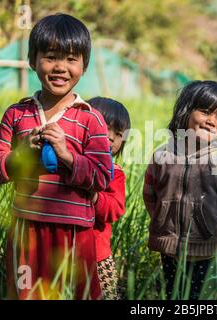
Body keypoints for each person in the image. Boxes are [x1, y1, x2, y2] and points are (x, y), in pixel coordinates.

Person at [0, 14, 112, 300]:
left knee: (76, 294)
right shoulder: (17, 114)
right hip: (26, 228)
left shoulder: (91, 120)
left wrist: (68, 156)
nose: (60, 68)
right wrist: (20, 155)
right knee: (26, 295)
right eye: (51, 57)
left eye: (71, 59)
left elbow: (103, 177)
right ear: (33, 60)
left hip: (75, 233)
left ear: (84, 65)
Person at [143, 80, 217, 300]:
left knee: (205, 300)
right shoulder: (162, 156)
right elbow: (150, 195)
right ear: (186, 111)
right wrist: (162, 220)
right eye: (205, 111)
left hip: (206, 248)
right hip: (169, 247)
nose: (211, 121)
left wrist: (214, 225)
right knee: (174, 295)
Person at [87, 97, 131, 300]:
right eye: (106, 128)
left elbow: (115, 209)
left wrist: (95, 196)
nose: (112, 138)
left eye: (119, 134)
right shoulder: (66, 162)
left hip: (97, 255)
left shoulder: (115, 173)